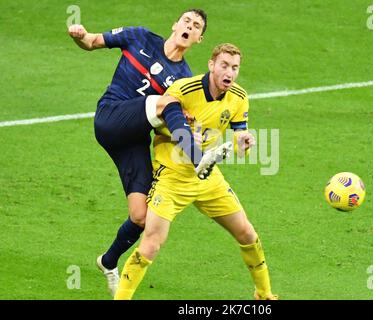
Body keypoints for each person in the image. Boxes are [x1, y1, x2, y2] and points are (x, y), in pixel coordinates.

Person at [114, 43, 278, 300]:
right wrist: (186, 135)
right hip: (171, 177)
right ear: (211, 65)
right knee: (151, 244)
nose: (230, 72)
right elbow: (158, 127)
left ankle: (264, 294)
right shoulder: (183, 89)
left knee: (246, 232)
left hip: (207, 176)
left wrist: (243, 142)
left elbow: (237, 137)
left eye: (235, 68)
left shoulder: (238, 96)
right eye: (224, 65)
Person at [68, 9, 210, 297]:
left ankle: (108, 261)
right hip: (109, 117)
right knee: (163, 101)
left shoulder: (184, 80)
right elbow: (92, 42)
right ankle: (199, 159)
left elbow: (172, 126)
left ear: (198, 38)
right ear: (175, 23)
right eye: (186, 21)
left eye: (196, 26)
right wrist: (80, 36)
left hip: (132, 140)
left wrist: (192, 128)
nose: (189, 27)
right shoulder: (140, 37)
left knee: (141, 216)